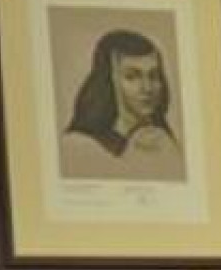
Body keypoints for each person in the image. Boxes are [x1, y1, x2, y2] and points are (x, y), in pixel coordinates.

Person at [60, 29, 184, 181]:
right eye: (132, 76)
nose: (147, 88)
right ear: (110, 81)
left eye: (153, 76)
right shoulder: (80, 146)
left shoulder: (164, 143)